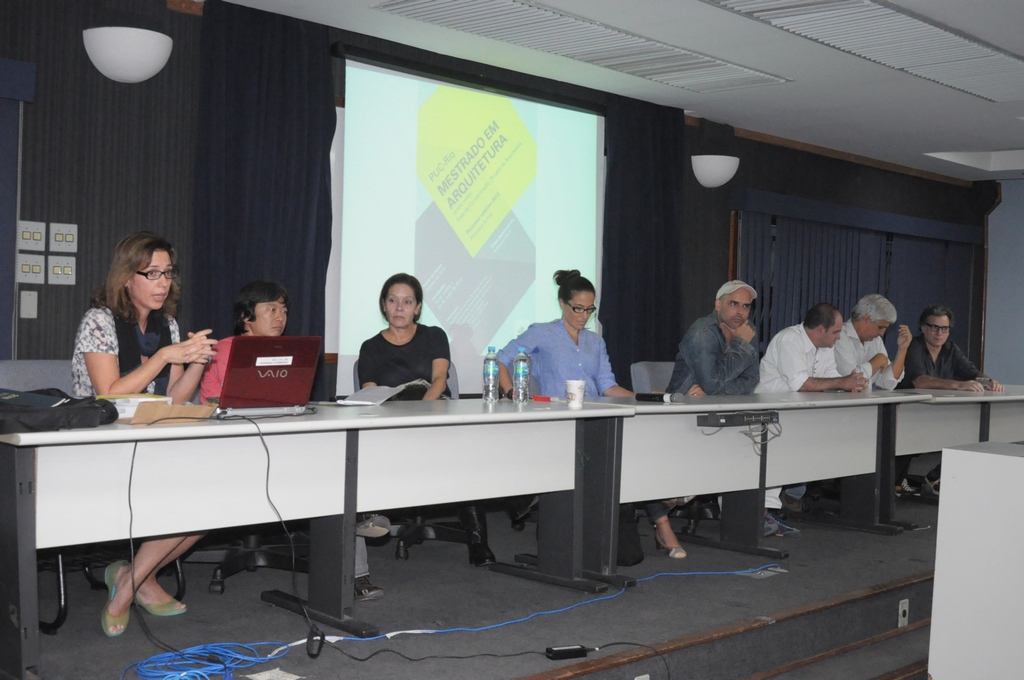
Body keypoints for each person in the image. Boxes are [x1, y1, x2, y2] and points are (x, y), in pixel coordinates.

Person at [72, 231, 217, 637]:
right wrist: (165, 357)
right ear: (126, 277)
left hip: (152, 442)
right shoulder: (98, 321)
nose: (162, 283)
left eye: (167, 273)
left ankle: (131, 578)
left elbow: (173, 399)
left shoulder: (166, 324)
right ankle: (133, 586)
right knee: (185, 496)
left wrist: (196, 363)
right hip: (98, 446)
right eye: (151, 273)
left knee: (213, 500)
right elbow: (110, 395)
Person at [203, 281, 386, 601]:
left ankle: (356, 567)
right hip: (233, 445)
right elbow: (214, 405)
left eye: (284, 310)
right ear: (247, 315)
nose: (280, 316)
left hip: (279, 440)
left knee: (340, 467)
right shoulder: (226, 348)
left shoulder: (287, 351)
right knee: (330, 478)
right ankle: (355, 522)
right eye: (271, 309)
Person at [495, 271, 664, 559]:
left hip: (594, 418)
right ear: (562, 303)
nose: (584, 316)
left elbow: (607, 385)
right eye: (578, 308)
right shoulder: (542, 332)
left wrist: (642, 398)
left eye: (589, 309)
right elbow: (501, 358)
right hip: (557, 422)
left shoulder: (595, 342)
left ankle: (606, 540)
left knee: (622, 460)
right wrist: (512, 393)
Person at [358, 273, 496, 567]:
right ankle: (371, 515)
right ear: (384, 306)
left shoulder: (434, 336)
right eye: (393, 301)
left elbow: (439, 380)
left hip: (434, 414)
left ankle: (477, 540)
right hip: (391, 423)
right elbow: (370, 391)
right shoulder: (370, 347)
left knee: (466, 454)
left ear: (417, 307)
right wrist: (398, 419)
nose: (399, 308)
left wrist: (419, 415)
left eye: (407, 302)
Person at [654, 280, 761, 557]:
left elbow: (750, 382)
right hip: (682, 415)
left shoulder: (745, 334)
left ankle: (663, 501)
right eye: (733, 304)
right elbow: (713, 383)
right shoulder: (703, 333)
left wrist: (717, 386)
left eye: (746, 306)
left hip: (716, 413)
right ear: (718, 304)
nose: (740, 312)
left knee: (746, 451)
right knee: (687, 481)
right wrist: (739, 348)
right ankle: (657, 502)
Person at [755, 302, 868, 536]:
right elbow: (801, 383)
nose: (839, 337)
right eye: (836, 332)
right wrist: (842, 383)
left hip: (798, 415)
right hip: (768, 414)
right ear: (820, 330)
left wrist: (852, 383)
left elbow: (831, 379)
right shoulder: (789, 340)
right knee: (774, 463)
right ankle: (760, 516)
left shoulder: (824, 348)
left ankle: (774, 510)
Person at [895, 304, 1003, 494]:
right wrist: (958, 384)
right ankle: (895, 481)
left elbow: (972, 373)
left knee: (972, 430)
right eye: (934, 327)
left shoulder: (951, 349)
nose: (939, 333)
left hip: (934, 412)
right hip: (906, 413)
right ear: (923, 327)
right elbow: (920, 381)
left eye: (944, 328)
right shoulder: (914, 346)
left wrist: (989, 382)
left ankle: (936, 476)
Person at [834, 294, 912, 391]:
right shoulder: (839, 337)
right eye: (880, 327)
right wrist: (878, 360)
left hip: (866, 403)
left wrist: (902, 349)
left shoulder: (875, 340)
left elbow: (887, 382)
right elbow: (853, 380)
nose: (882, 333)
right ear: (867, 318)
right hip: (841, 403)